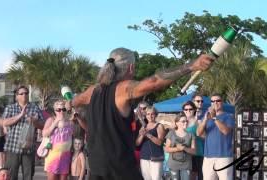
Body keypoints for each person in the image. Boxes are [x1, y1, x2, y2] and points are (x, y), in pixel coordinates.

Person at [66, 47, 214, 179]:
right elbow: (154, 82)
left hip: (96, 167)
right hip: (120, 168)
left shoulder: (93, 91)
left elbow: (76, 100)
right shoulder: (123, 89)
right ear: (130, 67)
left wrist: (69, 103)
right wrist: (192, 66)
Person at [2, 85, 45, 180]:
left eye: (26, 93)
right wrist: (20, 116)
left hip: (28, 148)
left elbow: (42, 125)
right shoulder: (10, 108)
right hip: (13, 148)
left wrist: (34, 121)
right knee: (11, 175)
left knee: (28, 176)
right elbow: (4, 122)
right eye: (21, 93)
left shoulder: (34, 108)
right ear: (17, 96)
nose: (24, 95)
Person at [197, 94, 235, 180]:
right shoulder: (206, 116)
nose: (215, 103)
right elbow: (198, 133)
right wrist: (205, 119)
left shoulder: (228, 117)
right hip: (208, 157)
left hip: (224, 157)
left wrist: (214, 118)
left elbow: (225, 131)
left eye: (218, 101)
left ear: (222, 102)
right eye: (213, 101)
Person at [42, 100, 77, 180]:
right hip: (52, 155)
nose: (61, 111)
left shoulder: (70, 123)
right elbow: (44, 134)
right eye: (59, 109)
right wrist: (56, 121)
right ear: (55, 110)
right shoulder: (51, 120)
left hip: (65, 156)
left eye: (63, 109)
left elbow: (74, 137)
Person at [135, 106, 166, 180]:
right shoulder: (143, 127)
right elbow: (137, 143)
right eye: (148, 114)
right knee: (146, 178)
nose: (150, 116)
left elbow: (160, 142)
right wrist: (142, 135)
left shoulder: (159, 126)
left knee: (156, 178)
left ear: (156, 115)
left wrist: (148, 135)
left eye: (152, 114)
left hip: (156, 156)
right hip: (144, 156)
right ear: (145, 115)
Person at [165, 113, 196, 180]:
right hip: (173, 164)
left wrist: (184, 148)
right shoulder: (171, 133)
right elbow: (166, 149)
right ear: (177, 123)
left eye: (186, 121)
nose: (185, 123)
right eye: (183, 121)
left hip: (186, 165)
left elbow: (194, 151)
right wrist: (177, 148)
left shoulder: (191, 135)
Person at [182, 101, 204, 180]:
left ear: (194, 110)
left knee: (197, 175)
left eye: (190, 109)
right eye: (186, 109)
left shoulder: (198, 121)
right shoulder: (181, 122)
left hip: (197, 153)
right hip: (184, 154)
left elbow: (204, 136)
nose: (188, 111)